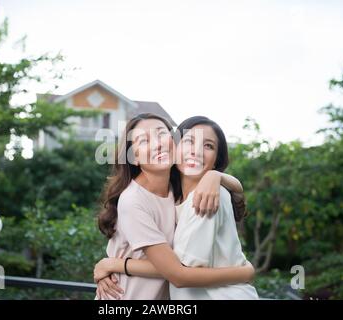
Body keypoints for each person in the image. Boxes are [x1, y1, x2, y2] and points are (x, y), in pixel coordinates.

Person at [94, 113, 254, 300]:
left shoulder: (176, 189)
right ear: (134, 158)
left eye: (162, 134)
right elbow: (176, 272)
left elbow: (236, 188)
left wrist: (215, 176)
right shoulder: (133, 200)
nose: (157, 144)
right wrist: (245, 273)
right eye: (144, 141)